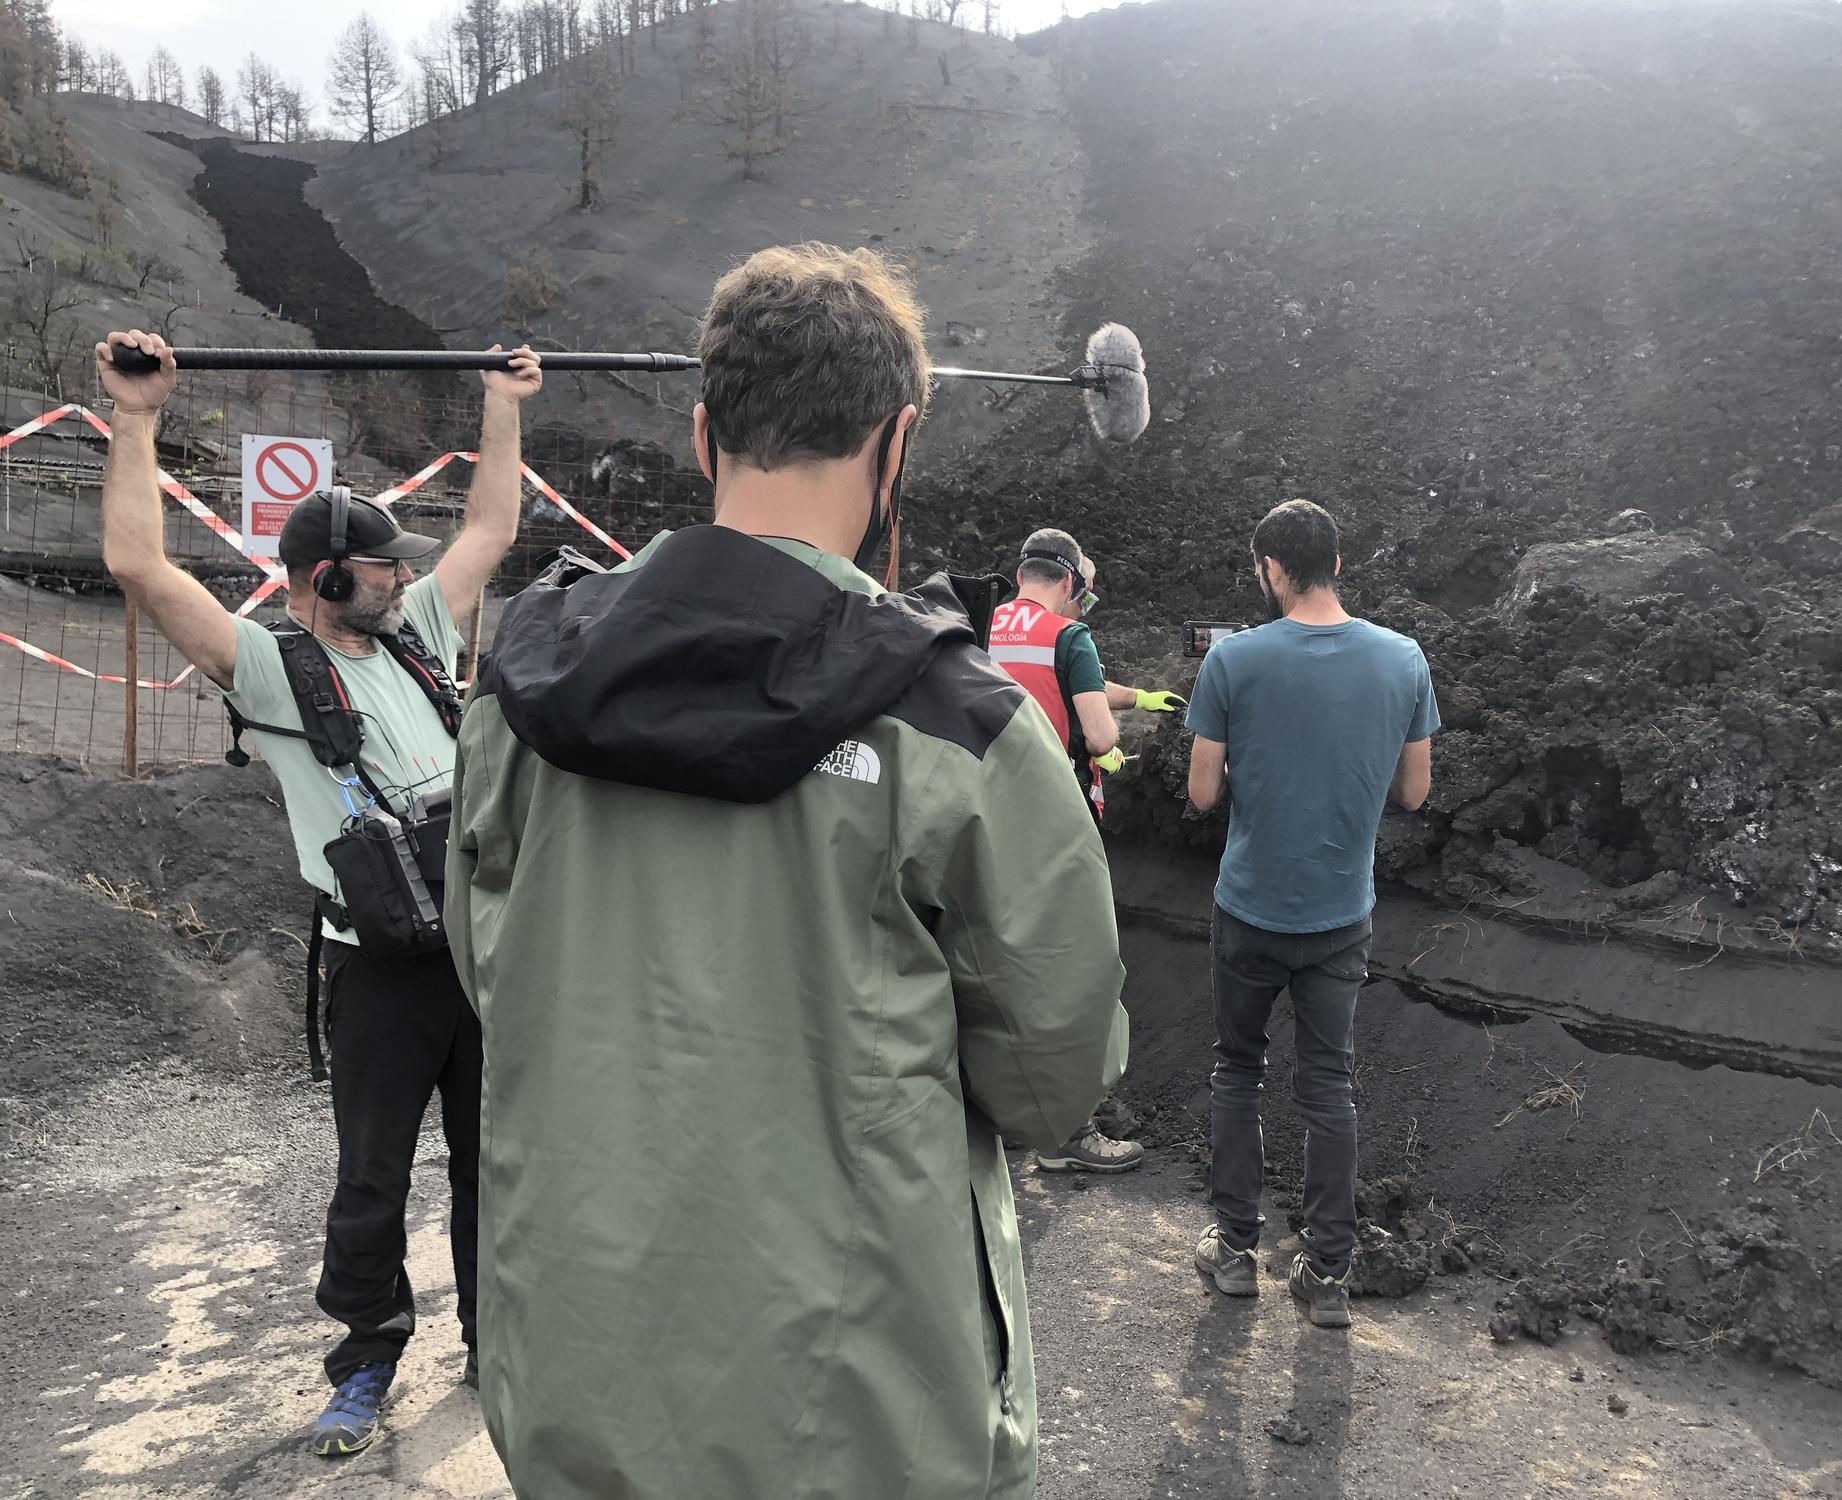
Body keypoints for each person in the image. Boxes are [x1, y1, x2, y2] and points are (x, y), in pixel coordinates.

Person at [444, 244, 1129, 1500]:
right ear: (899, 443)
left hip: (575, 1388)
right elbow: (1050, 1073)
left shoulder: (520, 690)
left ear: (704, 434)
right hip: (862, 1414)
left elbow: (496, 971)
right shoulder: (957, 728)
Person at [95, 328, 543, 1454]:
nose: (405, 576)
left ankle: (499, 1346)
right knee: (371, 1179)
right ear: (326, 577)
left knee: (497, 1164)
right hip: (376, 970)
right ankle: (366, 1360)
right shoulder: (264, 666)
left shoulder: (418, 637)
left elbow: (491, 526)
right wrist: (137, 419)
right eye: (386, 565)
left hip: (480, 950)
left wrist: (502, 401)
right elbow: (142, 571)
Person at [1183, 498, 1438, 1330]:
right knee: (1329, 1085)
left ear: (1272, 569)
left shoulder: (1234, 662)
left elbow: (1200, 792)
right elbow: (1414, 791)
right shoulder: (1404, 660)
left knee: (1237, 1073)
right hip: (1340, 914)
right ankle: (1328, 1274)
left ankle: (1234, 1253)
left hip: (1251, 907)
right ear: (1337, 562)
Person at [988, 528, 1185, 1174]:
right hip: (1057, 830)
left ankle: (1003, 1115)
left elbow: (1064, 681)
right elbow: (1096, 730)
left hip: (986, 822)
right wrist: (1108, 744)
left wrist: (1139, 695)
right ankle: (1068, 1130)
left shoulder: (982, 626)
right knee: (1069, 974)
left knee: (1000, 966)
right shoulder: (1070, 636)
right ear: (1071, 583)